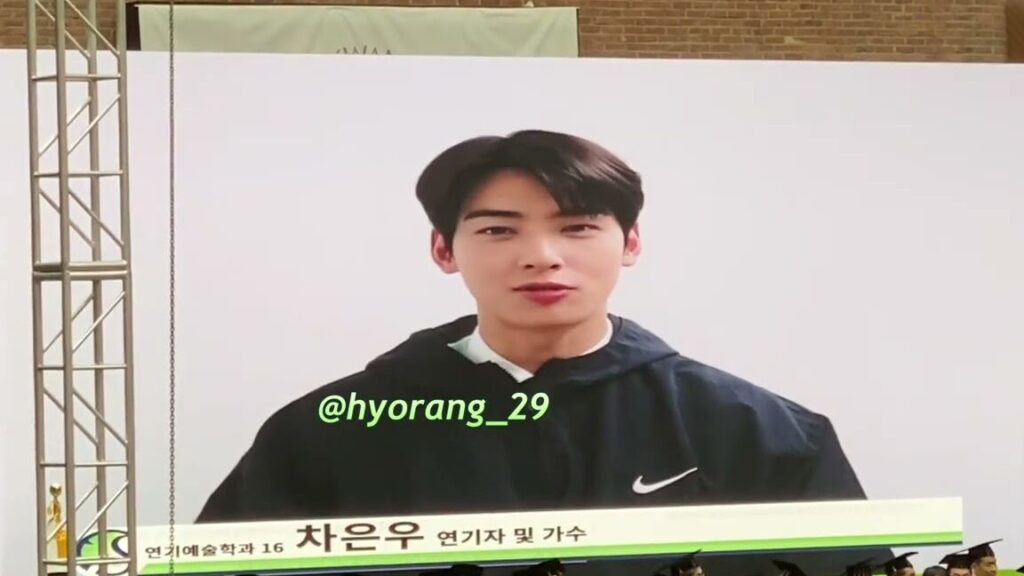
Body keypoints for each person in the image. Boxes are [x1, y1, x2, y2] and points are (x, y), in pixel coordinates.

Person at [195, 129, 883, 575]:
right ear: (444, 250)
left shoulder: (756, 432)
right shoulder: (328, 431)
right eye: (499, 230)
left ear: (630, 243)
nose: (542, 256)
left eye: (578, 227)